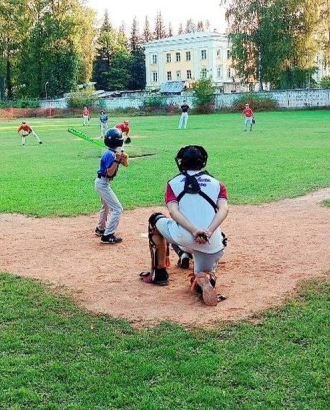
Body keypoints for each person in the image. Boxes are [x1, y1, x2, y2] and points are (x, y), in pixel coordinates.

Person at [140, 145, 229, 306]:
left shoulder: (173, 183)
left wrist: (194, 230)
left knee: (156, 219)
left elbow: (174, 212)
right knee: (203, 271)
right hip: (211, 240)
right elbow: (224, 209)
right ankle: (205, 278)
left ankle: (159, 273)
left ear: (182, 162)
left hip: (183, 235)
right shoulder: (217, 184)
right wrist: (208, 231)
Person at [94, 128, 129, 244]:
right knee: (118, 209)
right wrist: (116, 160)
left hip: (103, 183)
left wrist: (123, 158)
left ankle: (101, 228)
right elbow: (109, 172)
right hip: (103, 183)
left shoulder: (112, 153)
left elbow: (126, 165)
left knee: (106, 207)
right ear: (118, 142)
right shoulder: (110, 155)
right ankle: (107, 235)